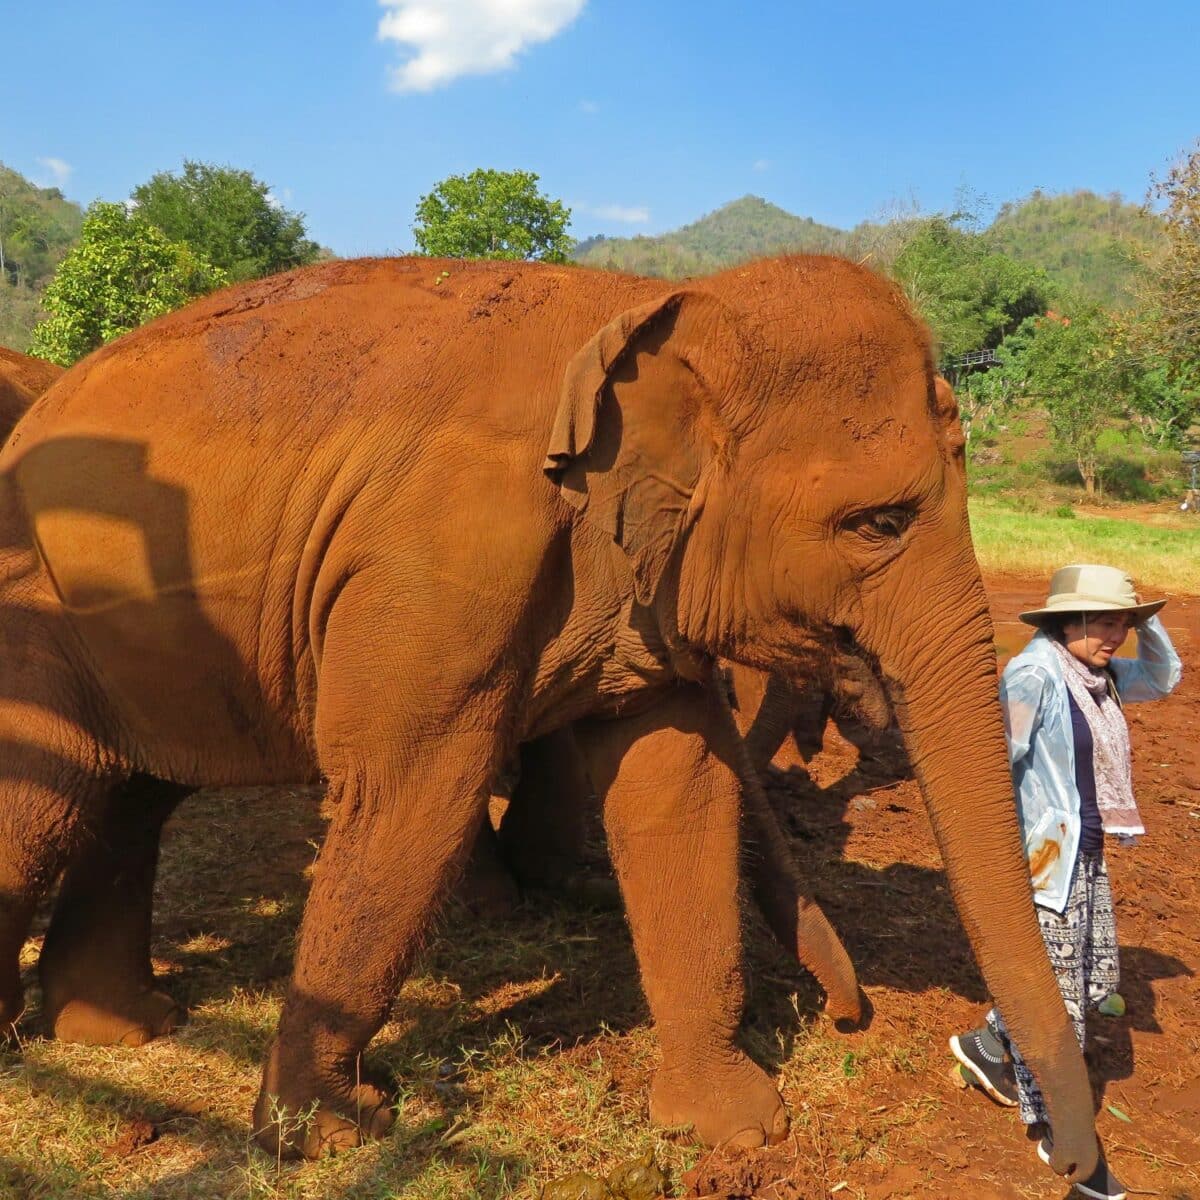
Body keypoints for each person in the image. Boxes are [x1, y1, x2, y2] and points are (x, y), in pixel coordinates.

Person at [949, 563, 1182, 1200]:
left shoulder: (1098, 676)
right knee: (1060, 997)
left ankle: (989, 1040)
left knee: (1087, 976)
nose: (1117, 636)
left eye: (1123, 624)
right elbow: (1000, 762)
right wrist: (1000, 861)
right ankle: (1058, 1129)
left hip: (1086, 848)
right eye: (1107, 622)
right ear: (1069, 620)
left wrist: (1148, 618)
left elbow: (1163, 678)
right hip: (1046, 855)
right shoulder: (1037, 674)